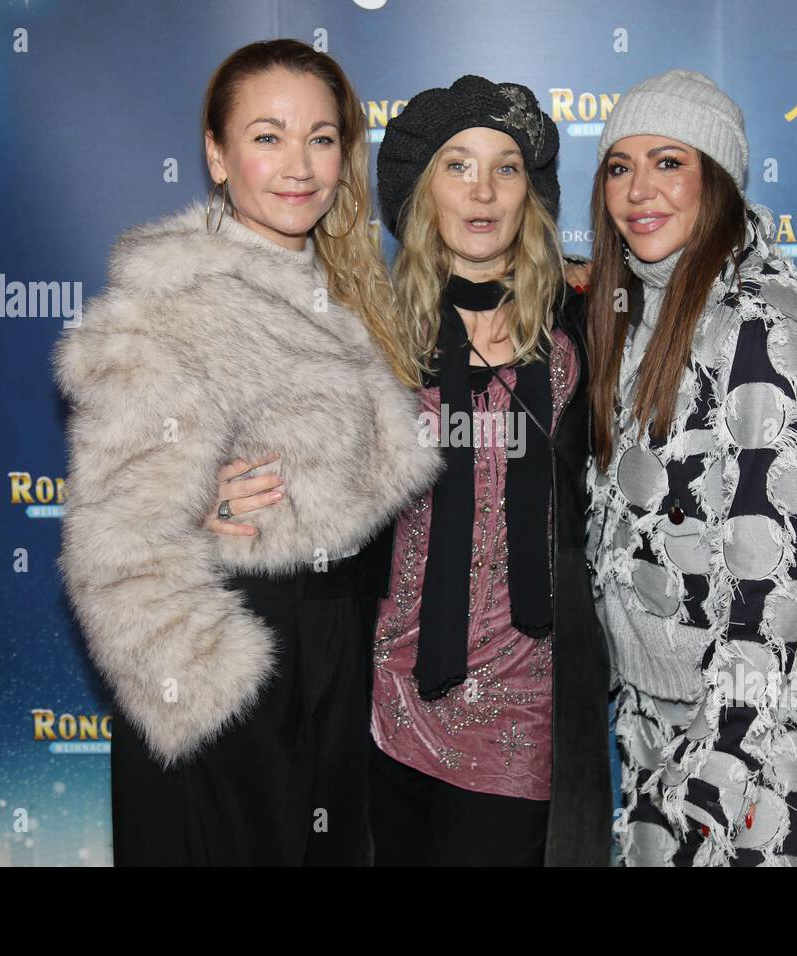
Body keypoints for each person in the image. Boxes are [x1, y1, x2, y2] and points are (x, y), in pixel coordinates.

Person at [53, 38, 441, 866]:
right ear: (216, 155)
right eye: (267, 136)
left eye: (322, 137)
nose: (299, 164)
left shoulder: (346, 295)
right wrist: (210, 683)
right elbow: (110, 545)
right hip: (231, 661)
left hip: (334, 658)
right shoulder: (167, 308)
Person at [210, 76, 614, 866]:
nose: (483, 191)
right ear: (423, 189)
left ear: (531, 193)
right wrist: (206, 496)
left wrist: (786, 447)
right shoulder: (372, 331)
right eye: (458, 165)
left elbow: (676, 426)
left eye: (506, 168)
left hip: (524, 720)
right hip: (383, 714)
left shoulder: (589, 327)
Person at [584, 69, 797, 866]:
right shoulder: (629, 308)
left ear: (718, 180)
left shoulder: (766, 321)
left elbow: (775, 577)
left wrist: (725, 762)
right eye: (619, 165)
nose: (639, 189)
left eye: (670, 162)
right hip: (658, 696)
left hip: (765, 699)